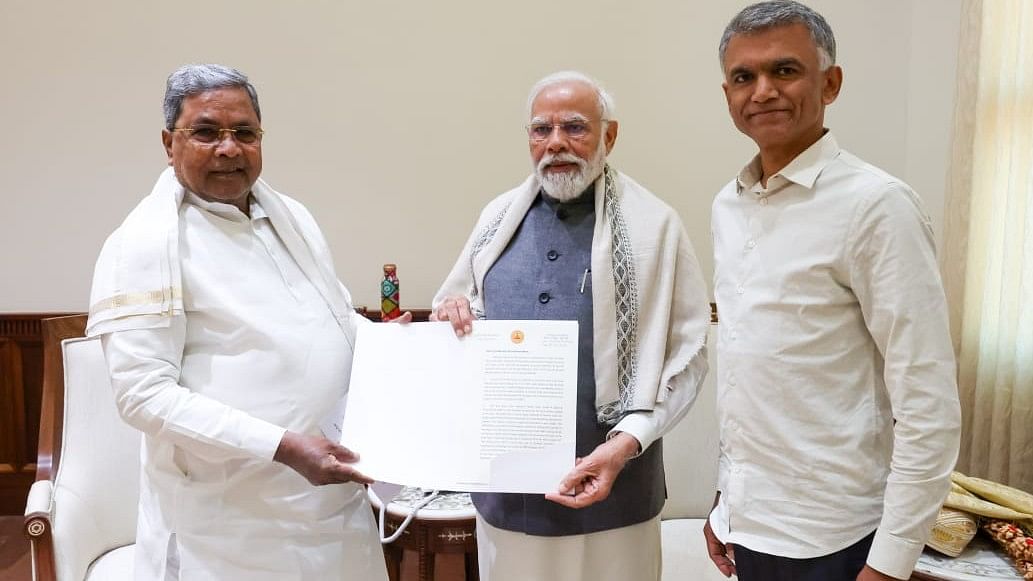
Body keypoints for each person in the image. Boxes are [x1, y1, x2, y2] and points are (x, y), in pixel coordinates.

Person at [86, 64, 394, 580]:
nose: (228, 148)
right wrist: (283, 447)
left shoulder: (291, 216)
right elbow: (142, 396)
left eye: (244, 133)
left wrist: (397, 347)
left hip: (329, 503)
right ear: (169, 142)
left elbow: (335, 319)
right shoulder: (143, 245)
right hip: (231, 526)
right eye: (206, 132)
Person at [703, 3, 962, 580]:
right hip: (752, 527)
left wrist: (891, 562)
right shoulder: (729, 205)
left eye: (785, 70)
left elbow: (928, 399)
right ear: (727, 95)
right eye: (744, 77)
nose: (763, 91)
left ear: (831, 82)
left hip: (837, 539)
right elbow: (749, 379)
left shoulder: (876, 207)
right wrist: (726, 503)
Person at [432, 71, 711, 581]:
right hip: (507, 494)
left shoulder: (657, 227)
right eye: (542, 129)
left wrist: (626, 443)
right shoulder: (497, 219)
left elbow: (688, 356)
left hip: (618, 496)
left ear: (610, 135)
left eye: (575, 127)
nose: (556, 142)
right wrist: (452, 314)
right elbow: (457, 302)